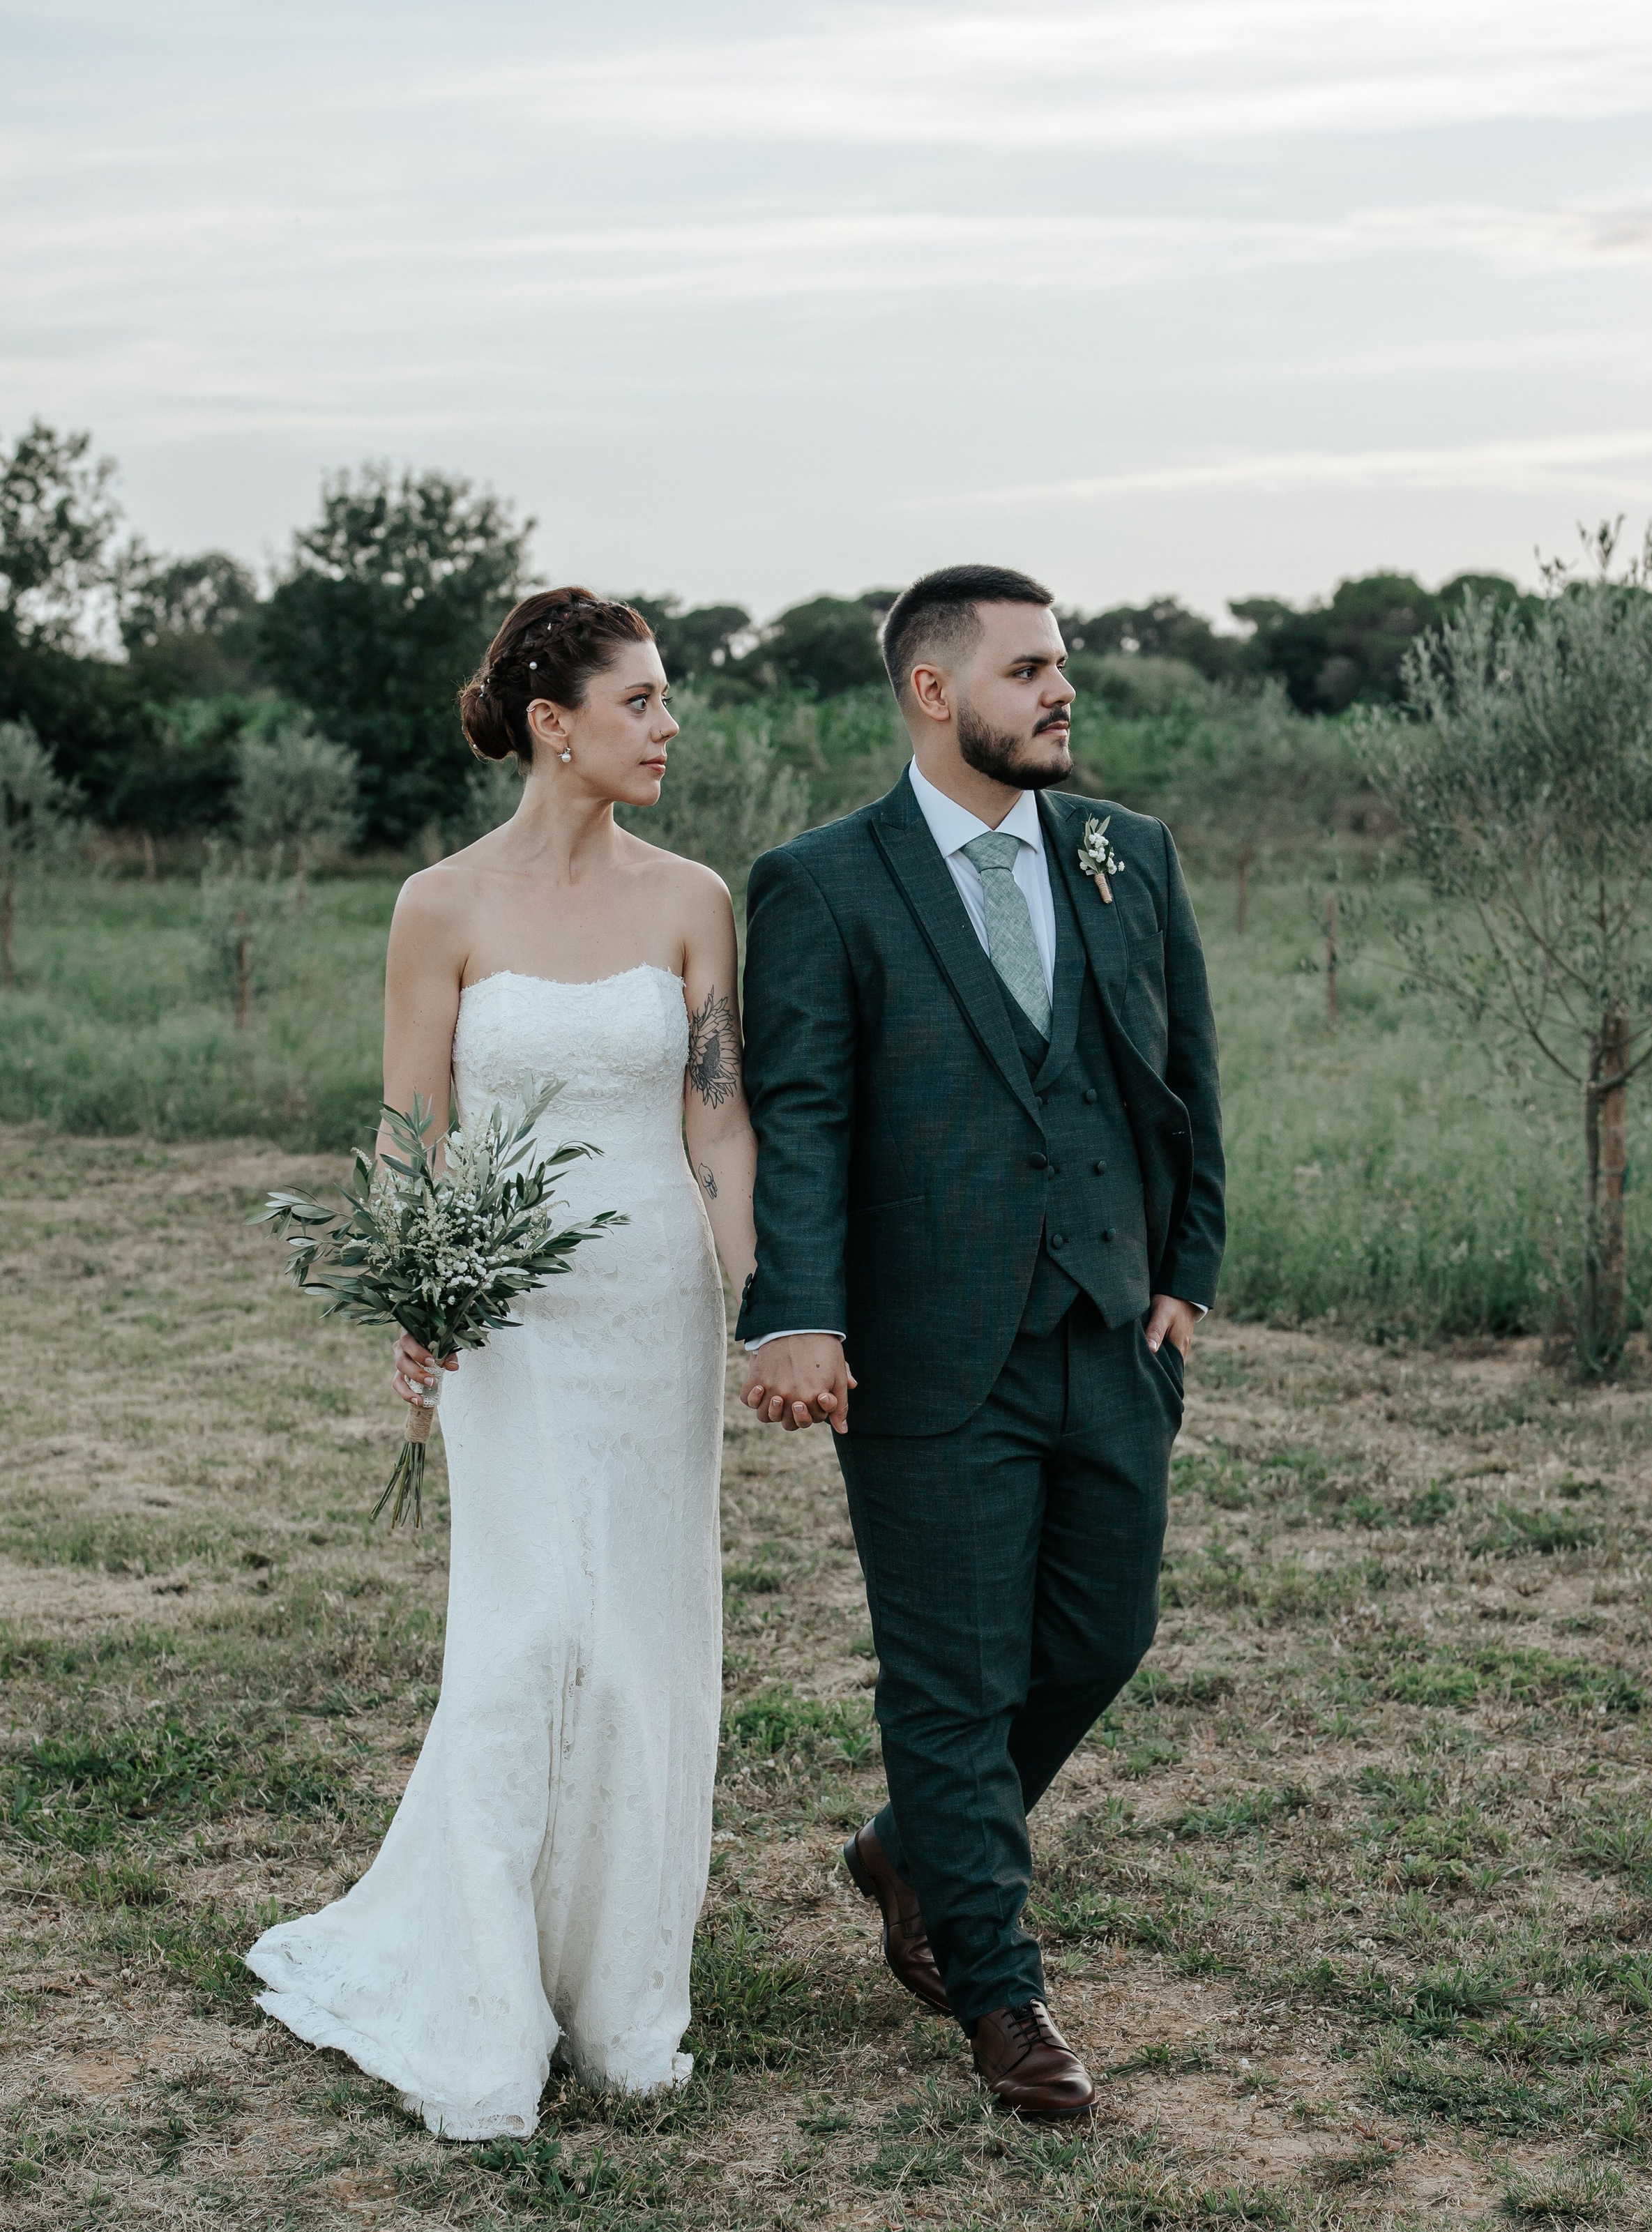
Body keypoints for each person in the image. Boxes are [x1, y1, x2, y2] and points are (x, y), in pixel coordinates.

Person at [247, 591, 756, 2139]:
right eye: (643, 702)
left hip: (653, 1304)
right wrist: (416, 1283)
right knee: (529, 1628)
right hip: (508, 1319)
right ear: (554, 723)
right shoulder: (438, 907)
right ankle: (480, 1991)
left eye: (667, 702)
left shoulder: (693, 902)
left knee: (645, 1637)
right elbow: (413, 1128)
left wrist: (763, 1307)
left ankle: (620, 1995)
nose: (668, 726)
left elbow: (717, 1120)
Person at [738, 564, 1224, 2122]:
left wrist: (1183, 1272)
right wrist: (795, 1309)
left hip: (1106, 1325)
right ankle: (998, 1991)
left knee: (1098, 1637)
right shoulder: (823, 882)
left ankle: (903, 1846)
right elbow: (799, 1117)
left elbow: (1181, 1073)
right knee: (950, 1681)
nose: (1059, 691)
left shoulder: (1120, 855)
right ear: (933, 693)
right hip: (925, 1345)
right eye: (1026, 670)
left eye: (1061, 665)